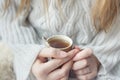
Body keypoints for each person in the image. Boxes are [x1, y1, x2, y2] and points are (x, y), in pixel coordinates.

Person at [0, 0, 120, 80]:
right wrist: (32, 59)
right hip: (34, 53)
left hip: (102, 57)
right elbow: (10, 18)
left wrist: (98, 57)